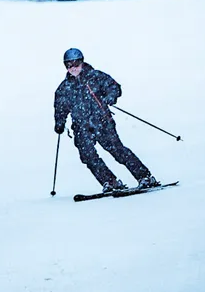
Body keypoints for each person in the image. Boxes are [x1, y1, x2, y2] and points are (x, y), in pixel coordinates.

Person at [53, 48, 159, 192]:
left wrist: (110, 97)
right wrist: (59, 123)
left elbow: (114, 87)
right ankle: (110, 182)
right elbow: (60, 108)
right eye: (68, 65)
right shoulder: (64, 88)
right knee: (88, 156)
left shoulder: (96, 76)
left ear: (82, 62)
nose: (73, 68)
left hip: (101, 121)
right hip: (81, 127)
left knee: (117, 151)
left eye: (76, 63)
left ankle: (145, 177)